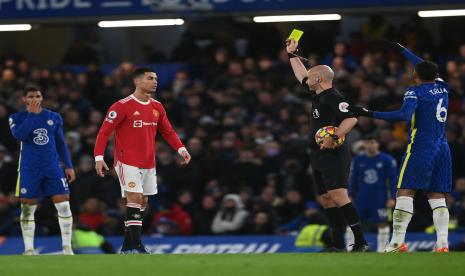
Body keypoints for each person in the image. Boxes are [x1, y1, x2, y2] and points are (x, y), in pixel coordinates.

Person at [350, 43, 451, 252]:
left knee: (405, 191)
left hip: (421, 147)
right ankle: (442, 243)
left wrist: (367, 112)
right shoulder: (443, 88)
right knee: (437, 196)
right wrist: (404, 51)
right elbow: (426, 68)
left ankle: (396, 243)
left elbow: (403, 116)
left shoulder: (414, 91)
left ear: (416, 75)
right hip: (442, 147)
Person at [94, 67, 191, 254]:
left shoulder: (157, 107)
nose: (155, 81)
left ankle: (126, 245)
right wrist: (99, 157)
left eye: (155, 78)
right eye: (150, 78)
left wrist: (181, 148)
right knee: (134, 197)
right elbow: (104, 132)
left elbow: (168, 131)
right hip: (126, 160)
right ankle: (138, 245)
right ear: (137, 81)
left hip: (149, 161)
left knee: (143, 201)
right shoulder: (121, 106)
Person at [286, 38, 370, 252]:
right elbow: (301, 74)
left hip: (334, 152)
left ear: (320, 79)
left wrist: (334, 137)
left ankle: (361, 242)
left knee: (339, 196)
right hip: (317, 154)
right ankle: (337, 245)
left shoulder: (333, 97)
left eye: (311, 76)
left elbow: (351, 118)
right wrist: (291, 54)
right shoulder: (318, 95)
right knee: (326, 198)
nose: (307, 79)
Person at [9, 86, 76, 255]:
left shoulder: (54, 117)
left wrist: (68, 165)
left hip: (52, 167)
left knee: (64, 206)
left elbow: (61, 143)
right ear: (24, 99)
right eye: (30, 96)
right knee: (28, 209)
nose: (35, 98)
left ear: (42, 97)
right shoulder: (16, 118)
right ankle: (29, 249)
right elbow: (20, 136)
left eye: (37, 95)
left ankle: (67, 247)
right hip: (29, 168)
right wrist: (31, 115)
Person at [348, 134, 397, 252]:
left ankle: (381, 249)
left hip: (380, 197)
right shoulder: (358, 160)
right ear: (363, 145)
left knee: (382, 222)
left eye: (373, 142)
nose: (370, 145)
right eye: (368, 143)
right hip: (362, 197)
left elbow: (393, 180)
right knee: (353, 222)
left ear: (377, 144)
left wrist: (393, 197)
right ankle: (350, 248)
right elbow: (353, 179)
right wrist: (350, 194)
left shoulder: (387, 160)